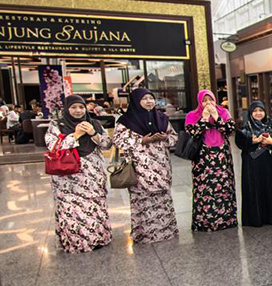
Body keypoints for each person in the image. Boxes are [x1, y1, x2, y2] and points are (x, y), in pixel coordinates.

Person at [45, 95, 111, 253]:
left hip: (93, 174)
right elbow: (53, 146)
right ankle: (76, 242)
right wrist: (76, 135)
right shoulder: (57, 124)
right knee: (72, 208)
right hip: (67, 176)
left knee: (94, 205)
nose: (78, 111)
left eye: (81, 107)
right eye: (73, 107)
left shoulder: (93, 122)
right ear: (66, 109)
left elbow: (107, 144)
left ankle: (98, 238)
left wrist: (93, 133)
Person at [114, 88, 179, 244]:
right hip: (140, 167)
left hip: (162, 166)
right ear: (136, 101)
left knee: (162, 197)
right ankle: (145, 234)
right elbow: (117, 140)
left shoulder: (162, 118)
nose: (149, 101)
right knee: (143, 199)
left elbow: (174, 137)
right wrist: (141, 141)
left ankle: (166, 230)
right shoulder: (126, 121)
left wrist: (164, 138)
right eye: (144, 99)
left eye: (151, 98)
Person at [184, 89, 238, 232]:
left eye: (211, 100)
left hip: (222, 156)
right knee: (205, 188)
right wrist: (204, 118)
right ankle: (205, 222)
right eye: (205, 100)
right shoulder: (192, 115)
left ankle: (227, 220)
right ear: (200, 102)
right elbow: (193, 133)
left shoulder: (223, 112)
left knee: (224, 186)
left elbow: (230, 130)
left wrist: (216, 117)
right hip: (202, 157)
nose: (208, 103)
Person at [234, 101, 272, 228]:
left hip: (269, 162)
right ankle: (255, 219)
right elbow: (239, 143)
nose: (258, 113)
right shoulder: (245, 126)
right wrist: (252, 141)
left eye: (260, 110)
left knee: (269, 187)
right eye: (255, 111)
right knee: (253, 188)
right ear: (250, 113)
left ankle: (271, 217)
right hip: (252, 163)